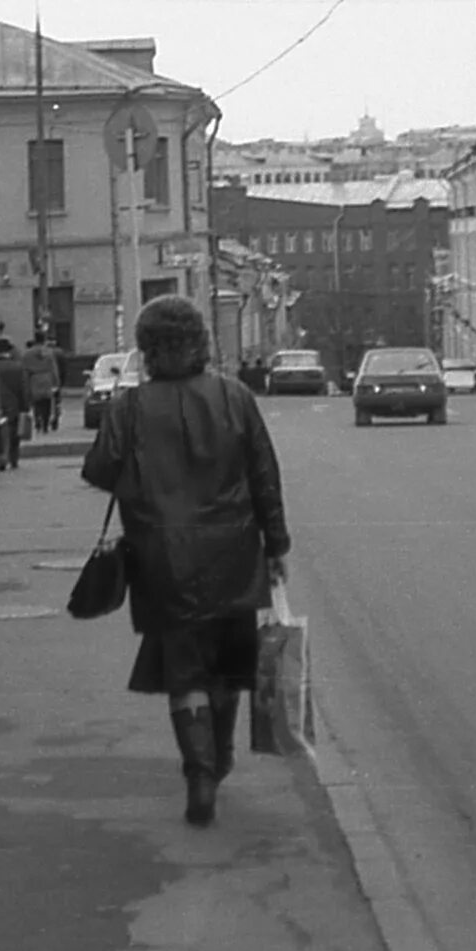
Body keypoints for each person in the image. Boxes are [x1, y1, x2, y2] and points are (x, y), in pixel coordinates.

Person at [79, 294, 290, 828]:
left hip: (161, 556)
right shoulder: (235, 396)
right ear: (200, 341)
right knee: (227, 668)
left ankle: (198, 773)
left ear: (147, 349)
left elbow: (100, 470)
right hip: (234, 553)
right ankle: (218, 761)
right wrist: (277, 545)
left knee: (184, 670)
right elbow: (265, 475)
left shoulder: (128, 408)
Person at [0, 334, 28, 470]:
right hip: (14, 404)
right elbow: (23, 388)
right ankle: (14, 458)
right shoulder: (17, 367)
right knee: (14, 432)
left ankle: (1, 456)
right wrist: (25, 405)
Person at [23, 333, 62, 435]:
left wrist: (25, 384)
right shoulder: (48, 352)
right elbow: (54, 368)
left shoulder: (28, 354)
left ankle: (37, 421)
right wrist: (56, 382)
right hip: (46, 378)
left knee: (36, 402)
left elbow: (25, 369)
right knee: (47, 402)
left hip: (34, 378)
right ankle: (45, 423)